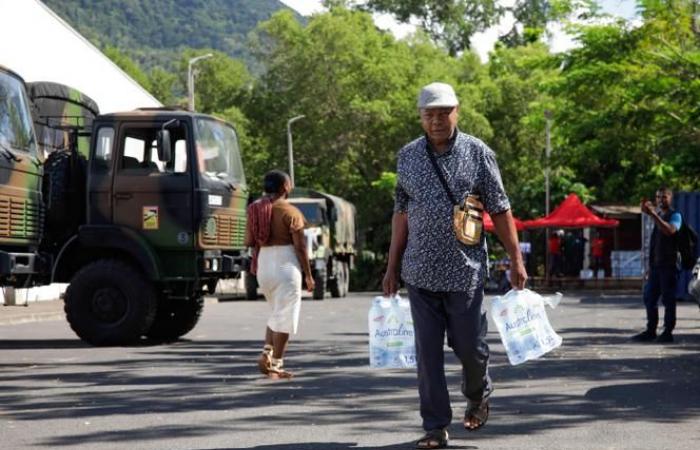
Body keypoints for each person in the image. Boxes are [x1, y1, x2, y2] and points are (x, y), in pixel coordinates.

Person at [382, 82, 527, 449]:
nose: (436, 121)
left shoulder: (478, 152)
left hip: (465, 271)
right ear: (420, 117)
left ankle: (478, 394)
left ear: (456, 112)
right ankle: (435, 426)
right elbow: (401, 212)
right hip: (419, 271)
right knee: (427, 355)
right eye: (429, 114)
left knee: (470, 349)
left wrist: (516, 259)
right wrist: (392, 266)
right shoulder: (408, 156)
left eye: (443, 113)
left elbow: (500, 207)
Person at [244, 170, 315, 379]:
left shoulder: (254, 210)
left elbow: (248, 241)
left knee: (276, 313)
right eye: (290, 183)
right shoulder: (290, 212)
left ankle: (267, 353)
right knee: (285, 318)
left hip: (264, 264)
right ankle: (276, 365)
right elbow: (300, 247)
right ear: (285, 187)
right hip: (286, 265)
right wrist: (309, 275)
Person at [632, 187, 682, 344]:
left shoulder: (675, 215)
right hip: (655, 267)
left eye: (664, 197)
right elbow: (654, 244)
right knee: (649, 298)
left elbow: (671, 231)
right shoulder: (658, 216)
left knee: (668, 299)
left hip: (669, 266)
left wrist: (653, 215)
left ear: (670, 198)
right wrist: (649, 267)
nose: (661, 200)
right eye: (658, 197)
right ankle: (651, 330)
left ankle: (668, 332)